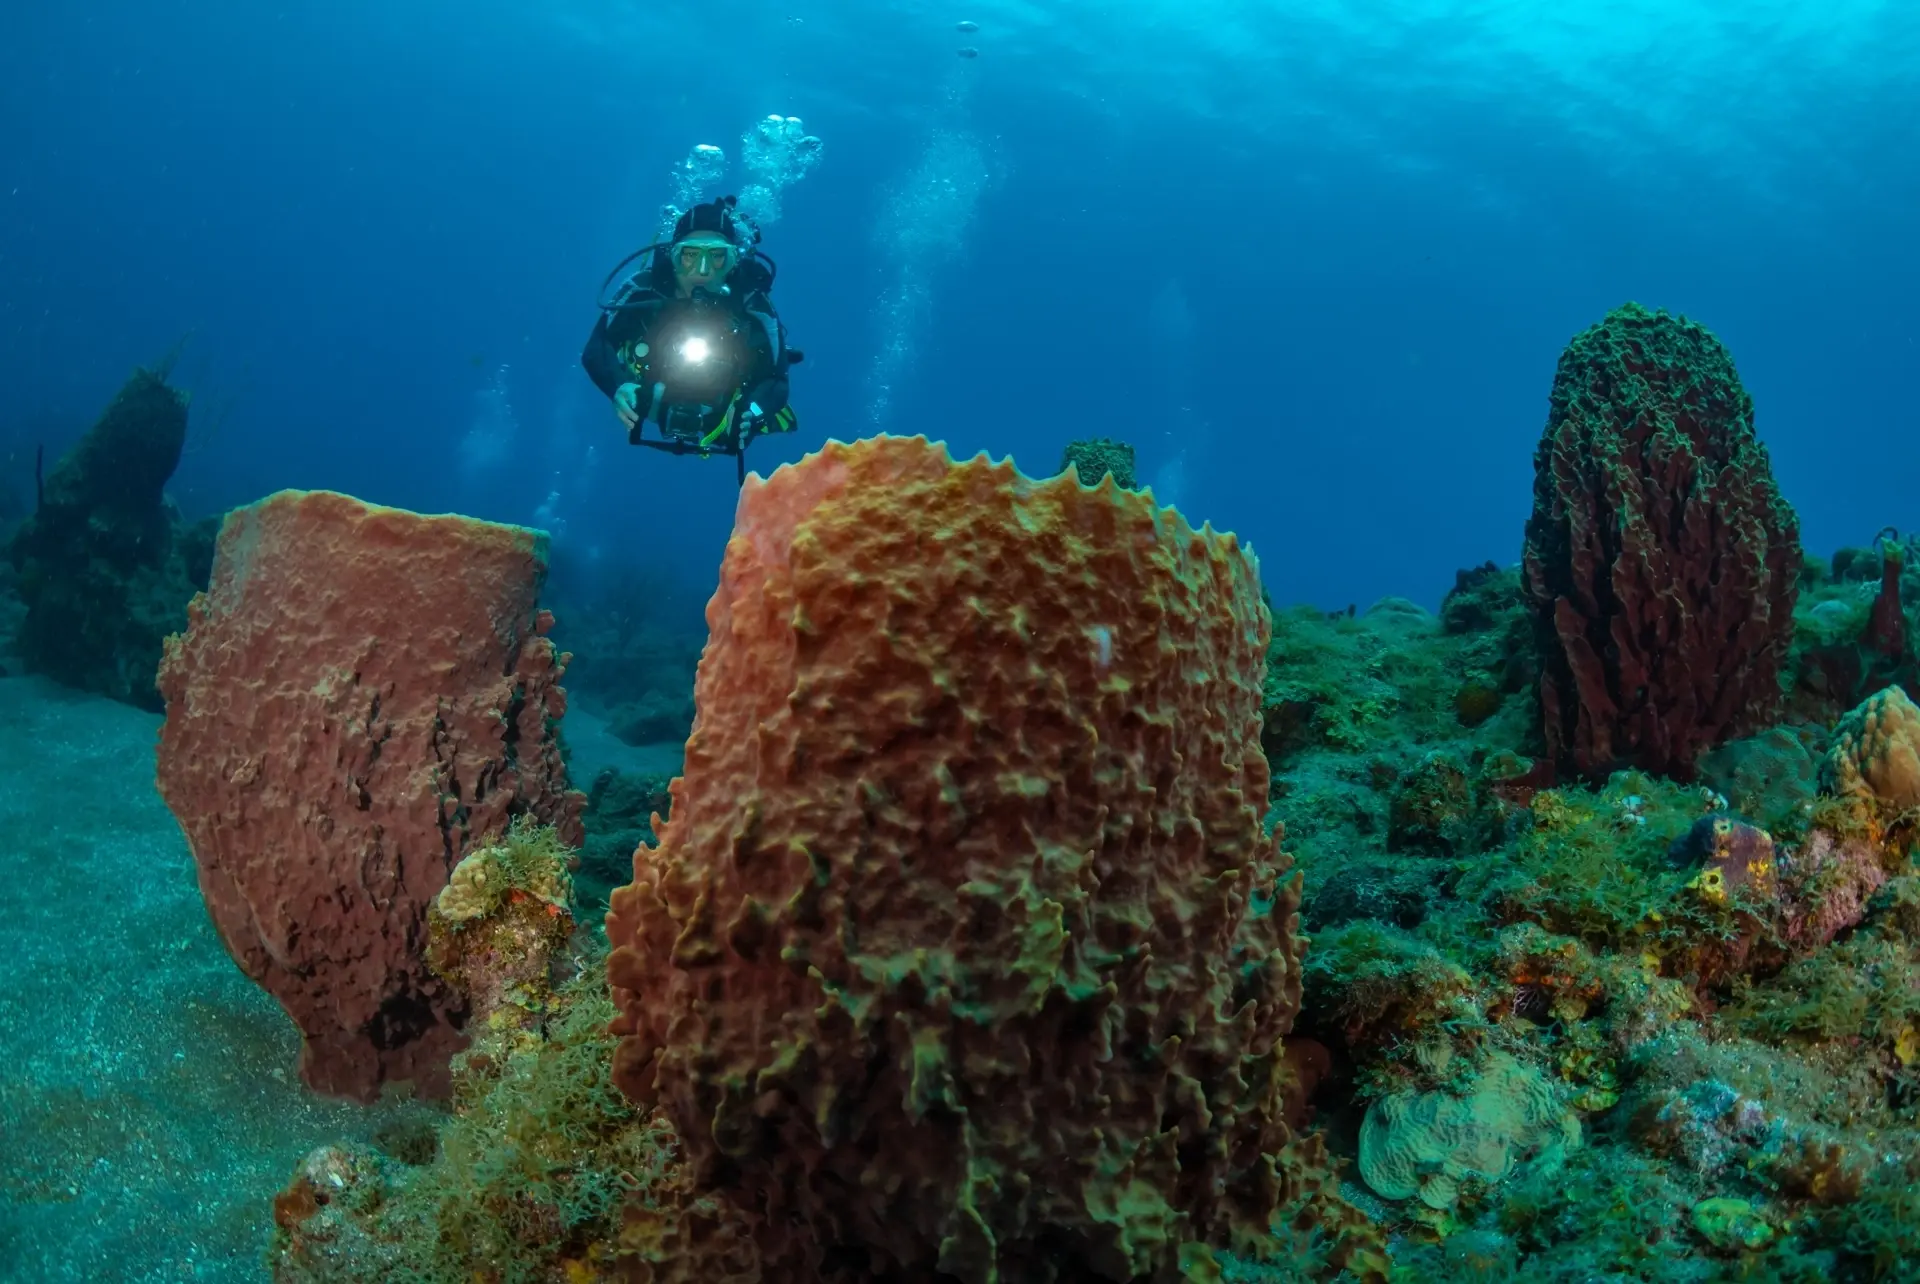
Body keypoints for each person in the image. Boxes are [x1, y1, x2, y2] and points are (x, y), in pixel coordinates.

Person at [581, 195, 801, 479]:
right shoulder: (642, 289)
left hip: (726, 409)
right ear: (673, 256)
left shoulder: (752, 304)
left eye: (718, 256)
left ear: (733, 260)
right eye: (690, 255)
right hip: (650, 392)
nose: (703, 270)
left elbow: (778, 377)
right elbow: (596, 347)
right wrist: (619, 387)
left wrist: (754, 413)